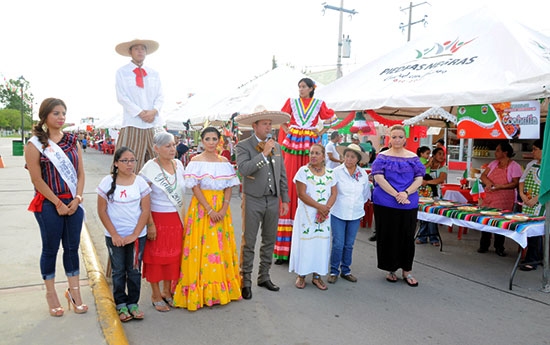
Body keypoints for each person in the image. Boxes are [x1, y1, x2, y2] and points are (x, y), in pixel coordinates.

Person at [25, 98, 86, 316]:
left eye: (63, 113)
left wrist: (77, 198)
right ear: (45, 117)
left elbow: (80, 173)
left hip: (73, 203)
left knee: (72, 248)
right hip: (49, 204)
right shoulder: (35, 144)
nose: (61, 117)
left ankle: (75, 292)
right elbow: (37, 180)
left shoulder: (72, 140)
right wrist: (58, 203)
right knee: (50, 249)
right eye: (56, 113)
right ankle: (51, 294)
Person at [172, 127, 242, 310]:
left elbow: (229, 185)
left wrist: (224, 207)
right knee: (200, 247)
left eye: (214, 139)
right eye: (207, 139)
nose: (211, 142)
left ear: (219, 140)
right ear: (202, 141)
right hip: (202, 210)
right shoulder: (195, 161)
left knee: (220, 247)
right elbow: (194, 188)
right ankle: (199, 291)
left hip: (221, 208)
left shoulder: (224, 161)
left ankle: (220, 289)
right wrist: (210, 210)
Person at [275, 78, 339, 264]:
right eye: (300, 87)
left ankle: (307, 244)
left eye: (304, 87)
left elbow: (331, 120)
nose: (301, 89)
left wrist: (320, 132)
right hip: (294, 142)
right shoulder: (292, 102)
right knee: (289, 180)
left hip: (309, 142)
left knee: (310, 181)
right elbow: (281, 119)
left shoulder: (319, 104)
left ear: (312, 88)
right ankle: (284, 249)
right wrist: (289, 131)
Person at [235, 107, 291, 300]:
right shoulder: (243, 146)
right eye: (265, 124)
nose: (269, 127)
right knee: (249, 241)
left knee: (269, 240)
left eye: (270, 124)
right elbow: (243, 169)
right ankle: (246, 280)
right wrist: (263, 154)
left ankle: (264, 276)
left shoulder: (277, 146)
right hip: (252, 199)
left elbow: (282, 174)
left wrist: (285, 198)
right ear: (255, 126)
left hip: (273, 199)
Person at [97, 147, 151, 321]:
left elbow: (145, 211)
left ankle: (133, 303)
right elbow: (102, 211)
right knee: (118, 271)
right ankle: (121, 305)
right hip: (115, 237)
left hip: (136, 237)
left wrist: (135, 235)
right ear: (116, 163)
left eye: (132, 160)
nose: (130, 164)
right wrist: (115, 235)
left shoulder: (140, 182)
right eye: (125, 160)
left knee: (134, 270)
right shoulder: (106, 182)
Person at [371, 125, 425, 287]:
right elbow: (379, 177)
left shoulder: (413, 157)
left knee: (407, 237)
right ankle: (391, 268)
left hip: (408, 203)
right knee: (388, 236)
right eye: (394, 137)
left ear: (405, 139)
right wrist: (396, 194)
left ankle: (407, 270)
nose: (397, 140)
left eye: (400, 137)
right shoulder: (382, 156)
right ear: (389, 139)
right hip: (386, 202)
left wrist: (406, 193)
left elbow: (419, 178)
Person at [140, 132, 184, 312]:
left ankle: (167, 291)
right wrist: (149, 223)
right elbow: (144, 198)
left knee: (173, 257)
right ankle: (155, 294)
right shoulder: (150, 168)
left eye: (173, 145)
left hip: (176, 218)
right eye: (167, 146)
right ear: (156, 148)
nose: (172, 149)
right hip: (157, 218)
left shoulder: (179, 164)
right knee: (156, 258)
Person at [290, 144, 337, 290]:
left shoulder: (330, 173)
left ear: (323, 156)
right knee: (306, 244)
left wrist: (326, 209)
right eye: (311, 153)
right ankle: (301, 275)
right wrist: (320, 208)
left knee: (321, 245)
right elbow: (301, 194)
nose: (313, 156)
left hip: (324, 216)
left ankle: (317, 276)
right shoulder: (303, 171)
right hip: (306, 215)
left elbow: (334, 193)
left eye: (317, 153)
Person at [115, 38, 164, 172]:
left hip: (153, 123)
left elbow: (160, 96)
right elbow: (122, 97)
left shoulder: (154, 73)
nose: (140, 51)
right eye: (136, 49)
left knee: (156, 164)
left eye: (143, 49)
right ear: (130, 52)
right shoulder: (122, 72)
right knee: (129, 162)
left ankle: (154, 192)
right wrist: (140, 113)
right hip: (133, 122)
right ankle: (126, 189)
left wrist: (154, 111)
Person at [328, 144, 371, 284]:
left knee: (349, 244)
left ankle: (346, 270)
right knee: (338, 244)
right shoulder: (336, 172)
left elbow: (365, 195)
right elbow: (330, 192)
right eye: (347, 156)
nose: (349, 159)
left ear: (358, 159)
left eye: (352, 157)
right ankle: (334, 270)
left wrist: (357, 205)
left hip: (355, 214)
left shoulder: (363, 174)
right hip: (338, 213)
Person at [478, 141, 522, 257]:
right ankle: (484, 245)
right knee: (486, 220)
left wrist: (500, 187)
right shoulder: (493, 164)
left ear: (505, 152)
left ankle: (499, 247)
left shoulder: (515, 166)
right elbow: (483, 176)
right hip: (490, 196)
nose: (495, 153)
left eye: (498, 150)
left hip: (504, 198)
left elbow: (515, 183)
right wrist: (489, 183)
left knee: (500, 222)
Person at [518, 139, 544, 270]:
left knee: (534, 230)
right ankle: (537, 257)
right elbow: (522, 180)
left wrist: (536, 199)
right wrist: (522, 195)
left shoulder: (548, 165)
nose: (532, 151)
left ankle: (531, 260)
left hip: (540, 204)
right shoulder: (531, 164)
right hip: (527, 202)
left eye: (535, 149)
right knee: (528, 229)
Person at [416, 147, 447, 246]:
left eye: (443, 154)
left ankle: (434, 238)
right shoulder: (426, 165)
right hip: (423, 193)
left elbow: (440, 180)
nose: (442, 156)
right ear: (433, 155)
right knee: (424, 215)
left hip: (435, 195)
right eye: (439, 154)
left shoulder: (442, 168)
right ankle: (422, 236)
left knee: (433, 216)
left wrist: (426, 182)